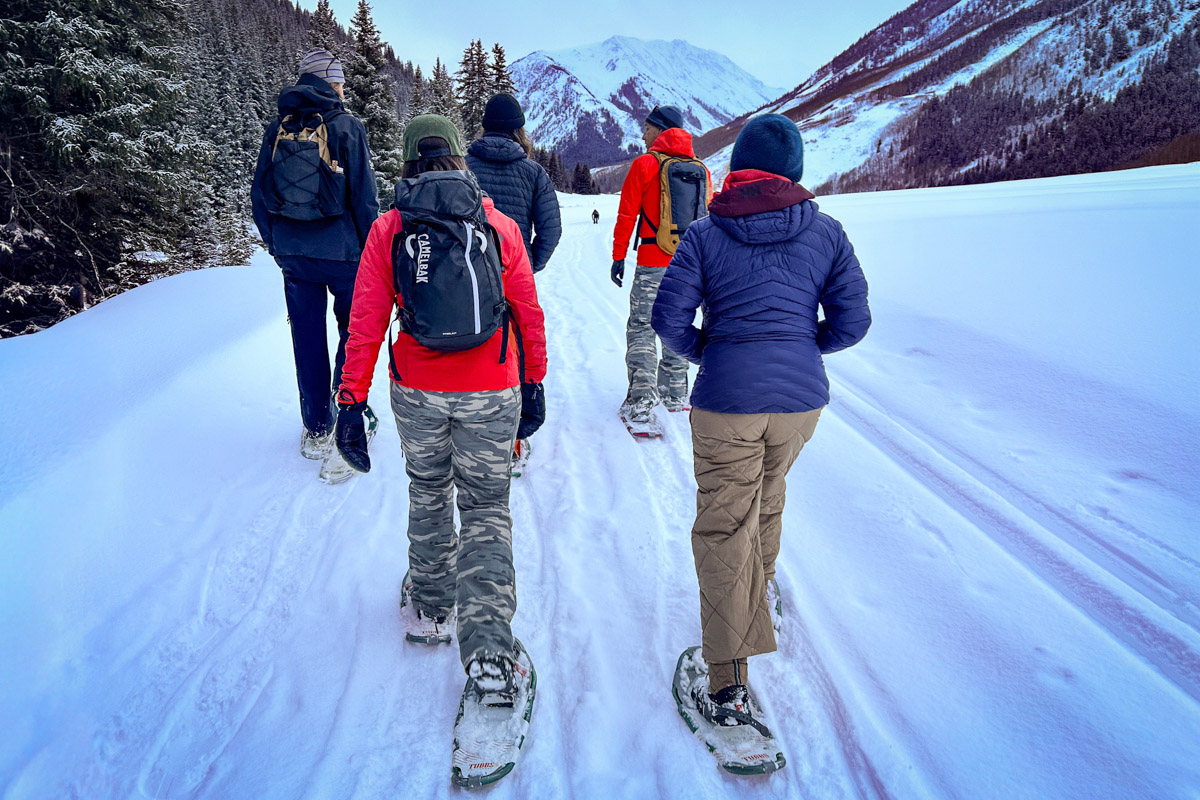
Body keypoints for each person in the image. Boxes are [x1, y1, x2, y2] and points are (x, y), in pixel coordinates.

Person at [651, 115, 870, 736]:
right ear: (794, 171)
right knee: (767, 497)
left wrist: (711, 352)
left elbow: (668, 320)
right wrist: (802, 348)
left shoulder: (703, 232)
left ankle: (725, 687)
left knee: (723, 522)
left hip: (727, 400)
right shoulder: (826, 232)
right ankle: (760, 590)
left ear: (738, 166)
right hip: (801, 404)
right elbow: (853, 322)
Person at [333, 115, 548, 715]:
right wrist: (534, 385)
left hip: (418, 389)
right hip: (491, 388)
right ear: (458, 157)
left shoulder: (388, 228)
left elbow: (366, 322)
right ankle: (490, 661)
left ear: (406, 161)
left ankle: (430, 604)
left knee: (428, 489)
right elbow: (527, 312)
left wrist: (350, 402)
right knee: (484, 506)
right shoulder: (496, 222)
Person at [251, 49, 379, 462]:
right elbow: (364, 197)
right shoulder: (346, 126)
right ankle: (346, 414)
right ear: (333, 83)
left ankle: (315, 428)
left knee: (306, 339)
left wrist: (277, 245)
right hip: (343, 255)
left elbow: (259, 196)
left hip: (294, 254)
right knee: (351, 334)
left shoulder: (278, 127)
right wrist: (367, 252)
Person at [465, 92, 561, 472]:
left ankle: (471, 425)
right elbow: (550, 230)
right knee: (517, 351)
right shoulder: (533, 172)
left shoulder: (465, 166)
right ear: (519, 130)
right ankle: (514, 440)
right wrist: (527, 264)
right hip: (512, 277)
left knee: (474, 344)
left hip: (468, 275)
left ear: (485, 126)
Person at [611, 105, 712, 426]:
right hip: (690, 266)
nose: (643, 134)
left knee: (642, 326)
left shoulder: (645, 165)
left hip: (653, 260)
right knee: (677, 324)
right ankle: (675, 393)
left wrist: (618, 256)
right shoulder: (701, 169)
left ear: (660, 129)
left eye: (647, 128)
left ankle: (641, 402)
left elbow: (627, 215)